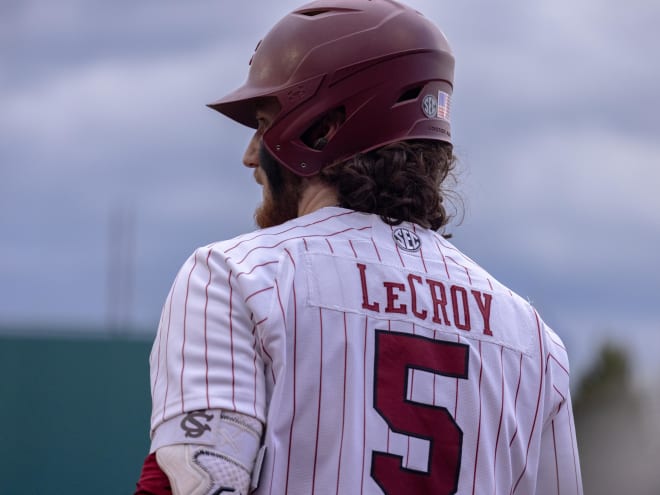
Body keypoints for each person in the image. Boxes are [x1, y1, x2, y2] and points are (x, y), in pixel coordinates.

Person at [135, 0, 583, 494]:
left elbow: (193, 485)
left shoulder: (234, 277)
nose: (250, 156)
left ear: (321, 128)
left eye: (263, 124)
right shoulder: (535, 343)